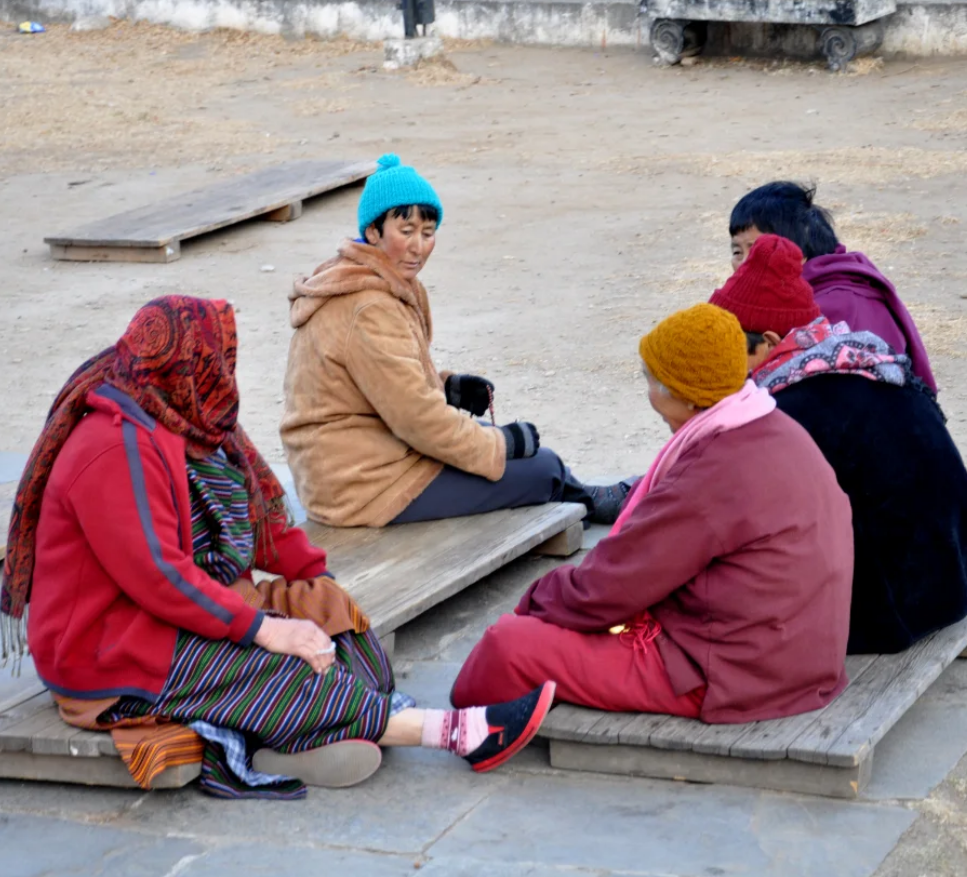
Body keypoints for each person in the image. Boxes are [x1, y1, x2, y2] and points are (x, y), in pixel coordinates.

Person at [1, 295, 555, 798]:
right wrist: (268, 628)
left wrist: (319, 590)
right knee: (278, 665)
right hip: (110, 644)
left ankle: (291, 734)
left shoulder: (192, 414)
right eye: (217, 358)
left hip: (189, 606)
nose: (226, 371)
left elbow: (266, 518)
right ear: (187, 366)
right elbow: (159, 578)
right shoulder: (112, 449)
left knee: (342, 633)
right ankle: (456, 733)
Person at [451, 304, 852, 723]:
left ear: (679, 393)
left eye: (649, 380)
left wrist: (534, 601)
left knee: (508, 646)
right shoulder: (772, 425)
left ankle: (450, 728)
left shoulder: (713, 470)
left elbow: (608, 589)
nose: (648, 395)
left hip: (739, 673)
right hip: (797, 657)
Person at [281, 154, 630, 528]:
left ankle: (587, 495)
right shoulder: (367, 306)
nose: (417, 246)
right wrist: (501, 445)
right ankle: (596, 503)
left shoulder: (369, 280)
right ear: (373, 232)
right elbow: (417, 419)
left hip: (360, 459)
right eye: (406, 230)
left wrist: (448, 387)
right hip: (361, 484)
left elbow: (386, 384)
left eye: (427, 233)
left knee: (505, 449)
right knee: (541, 469)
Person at [711, 233, 967, 654]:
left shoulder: (788, 408)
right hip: (951, 583)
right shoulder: (861, 359)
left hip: (890, 612)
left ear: (773, 342)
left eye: (733, 346)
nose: (724, 360)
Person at [728, 180, 936, 392]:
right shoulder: (783, 296)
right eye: (737, 252)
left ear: (797, 253)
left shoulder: (837, 305)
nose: (744, 265)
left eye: (757, 251)